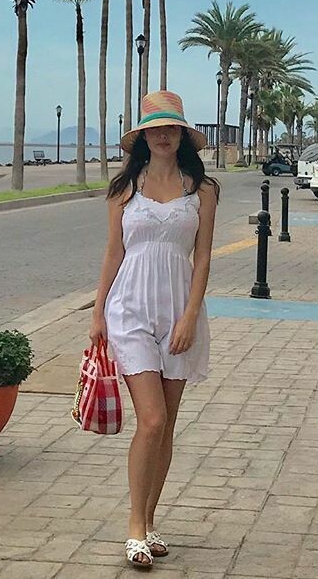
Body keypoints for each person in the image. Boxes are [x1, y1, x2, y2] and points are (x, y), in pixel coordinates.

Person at [89, 90, 219, 570]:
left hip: (179, 313)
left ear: (181, 134)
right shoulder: (124, 189)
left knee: (167, 426)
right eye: (154, 128)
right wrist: (98, 312)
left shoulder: (202, 190)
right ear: (143, 136)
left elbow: (202, 256)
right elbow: (113, 252)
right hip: (130, 310)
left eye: (170, 127)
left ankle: (148, 522)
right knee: (152, 420)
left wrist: (190, 315)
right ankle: (134, 528)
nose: (163, 135)